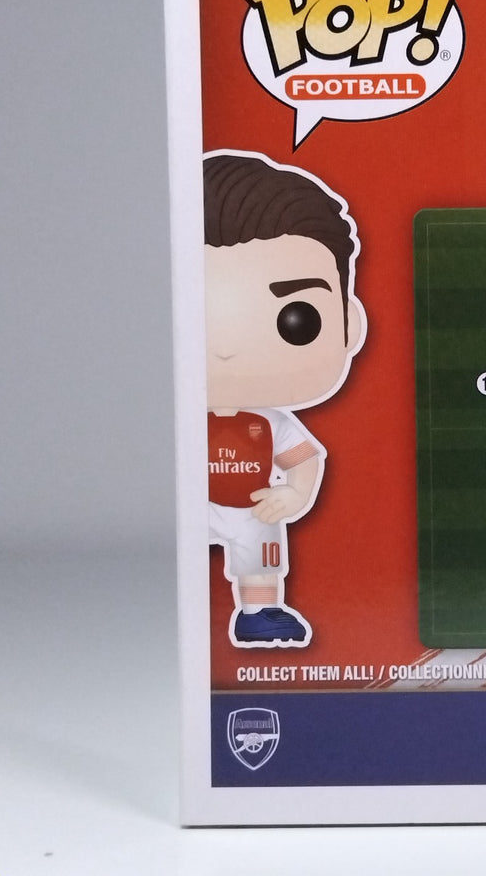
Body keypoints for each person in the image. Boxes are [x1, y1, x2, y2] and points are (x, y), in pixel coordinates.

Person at [203, 151, 365, 647]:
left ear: (350, 326)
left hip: (250, 503)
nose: (225, 348)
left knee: (261, 544)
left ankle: (259, 610)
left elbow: (303, 458)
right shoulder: (174, 419)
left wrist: (294, 494)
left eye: (298, 320)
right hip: (185, 504)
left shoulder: (272, 422)